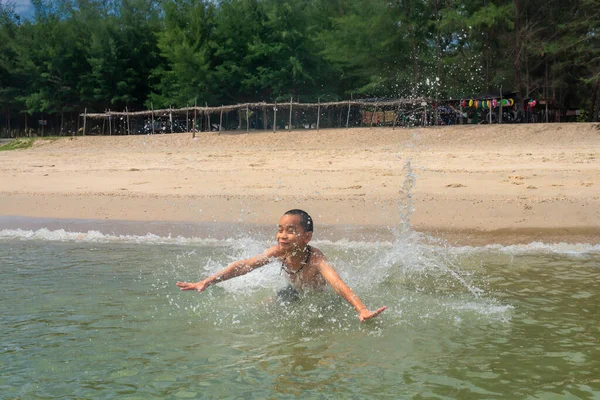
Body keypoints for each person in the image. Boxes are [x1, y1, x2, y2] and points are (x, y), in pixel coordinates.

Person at [176, 209, 387, 322]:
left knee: (317, 326)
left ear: (307, 237)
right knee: (260, 311)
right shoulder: (277, 252)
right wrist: (207, 281)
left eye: (290, 231)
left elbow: (339, 285)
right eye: (280, 230)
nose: (282, 236)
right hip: (293, 291)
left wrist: (362, 309)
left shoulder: (316, 259)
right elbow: (245, 266)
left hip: (321, 297)